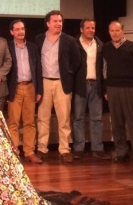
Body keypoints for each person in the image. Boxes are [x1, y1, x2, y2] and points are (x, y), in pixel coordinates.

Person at [35, 10, 81, 163]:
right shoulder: (39, 39)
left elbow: (77, 61)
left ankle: (64, 149)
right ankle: (42, 148)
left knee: (64, 118)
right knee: (43, 118)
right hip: (44, 82)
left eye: (60, 21)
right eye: (55, 21)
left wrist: (68, 73)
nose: (58, 24)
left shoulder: (70, 40)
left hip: (62, 83)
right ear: (47, 23)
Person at [102, 21, 133, 165]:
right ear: (109, 32)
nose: (114, 33)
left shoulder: (132, 46)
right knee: (117, 123)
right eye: (111, 30)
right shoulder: (106, 47)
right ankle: (121, 152)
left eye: (117, 30)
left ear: (123, 31)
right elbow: (105, 70)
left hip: (130, 88)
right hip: (112, 88)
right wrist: (106, 89)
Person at [72, 18, 111, 160]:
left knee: (97, 118)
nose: (91, 30)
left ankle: (97, 148)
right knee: (78, 118)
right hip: (80, 86)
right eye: (88, 28)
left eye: (93, 28)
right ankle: (78, 148)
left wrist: (105, 88)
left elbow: (104, 69)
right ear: (81, 29)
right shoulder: (74, 44)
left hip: (96, 85)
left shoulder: (100, 45)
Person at [7, 19, 43, 164]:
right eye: (17, 29)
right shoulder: (7, 46)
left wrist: (39, 89)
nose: (20, 31)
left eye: (22, 28)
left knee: (29, 122)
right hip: (14, 88)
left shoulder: (33, 47)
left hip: (30, 87)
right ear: (11, 32)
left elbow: (38, 69)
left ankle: (29, 152)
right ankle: (14, 151)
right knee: (14, 122)